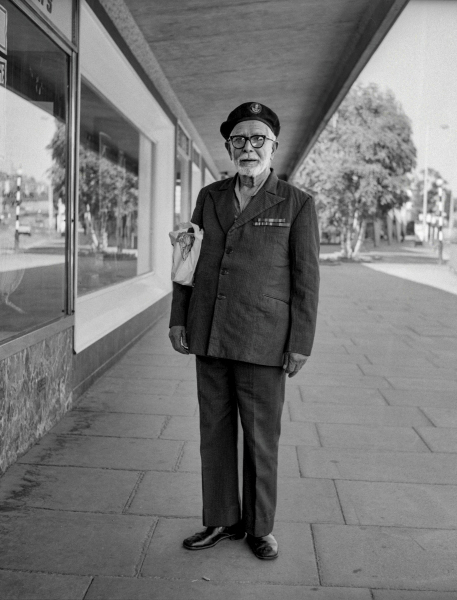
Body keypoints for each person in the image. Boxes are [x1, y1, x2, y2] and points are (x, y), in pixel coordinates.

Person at [169, 102, 320, 560]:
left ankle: (259, 527)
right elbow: (188, 262)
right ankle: (220, 520)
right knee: (213, 431)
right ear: (229, 146)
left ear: (274, 146)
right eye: (239, 139)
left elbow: (306, 280)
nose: (248, 147)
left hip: (263, 340)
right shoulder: (209, 197)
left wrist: (300, 344)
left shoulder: (297, 204)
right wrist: (179, 316)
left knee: (260, 439)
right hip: (209, 333)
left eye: (258, 139)